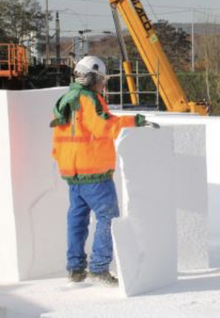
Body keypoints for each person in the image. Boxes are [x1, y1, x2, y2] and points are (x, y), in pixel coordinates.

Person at [50, 55, 158, 286]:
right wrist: (136, 121)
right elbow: (104, 126)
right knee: (107, 217)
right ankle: (99, 268)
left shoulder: (65, 100)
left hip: (73, 174)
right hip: (95, 173)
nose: (103, 84)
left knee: (77, 219)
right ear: (91, 78)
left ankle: (75, 268)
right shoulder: (91, 99)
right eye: (101, 79)